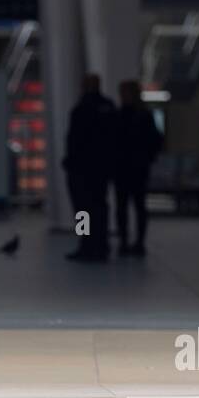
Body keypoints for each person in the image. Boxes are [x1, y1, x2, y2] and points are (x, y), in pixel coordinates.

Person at [63, 73, 115, 262]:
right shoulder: (108, 107)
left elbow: (75, 141)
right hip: (101, 169)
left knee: (82, 210)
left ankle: (86, 245)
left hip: (81, 170)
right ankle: (101, 245)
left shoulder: (81, 108)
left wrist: (70, 162)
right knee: (100, 208)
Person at [113, 80, 163, 257]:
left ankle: (136, 242)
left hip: (134, 167)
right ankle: (126, 241)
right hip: (127, 167)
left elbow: (155, 140)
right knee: (125, 207)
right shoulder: (130, 115)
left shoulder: (136, 116)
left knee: (135, 206)